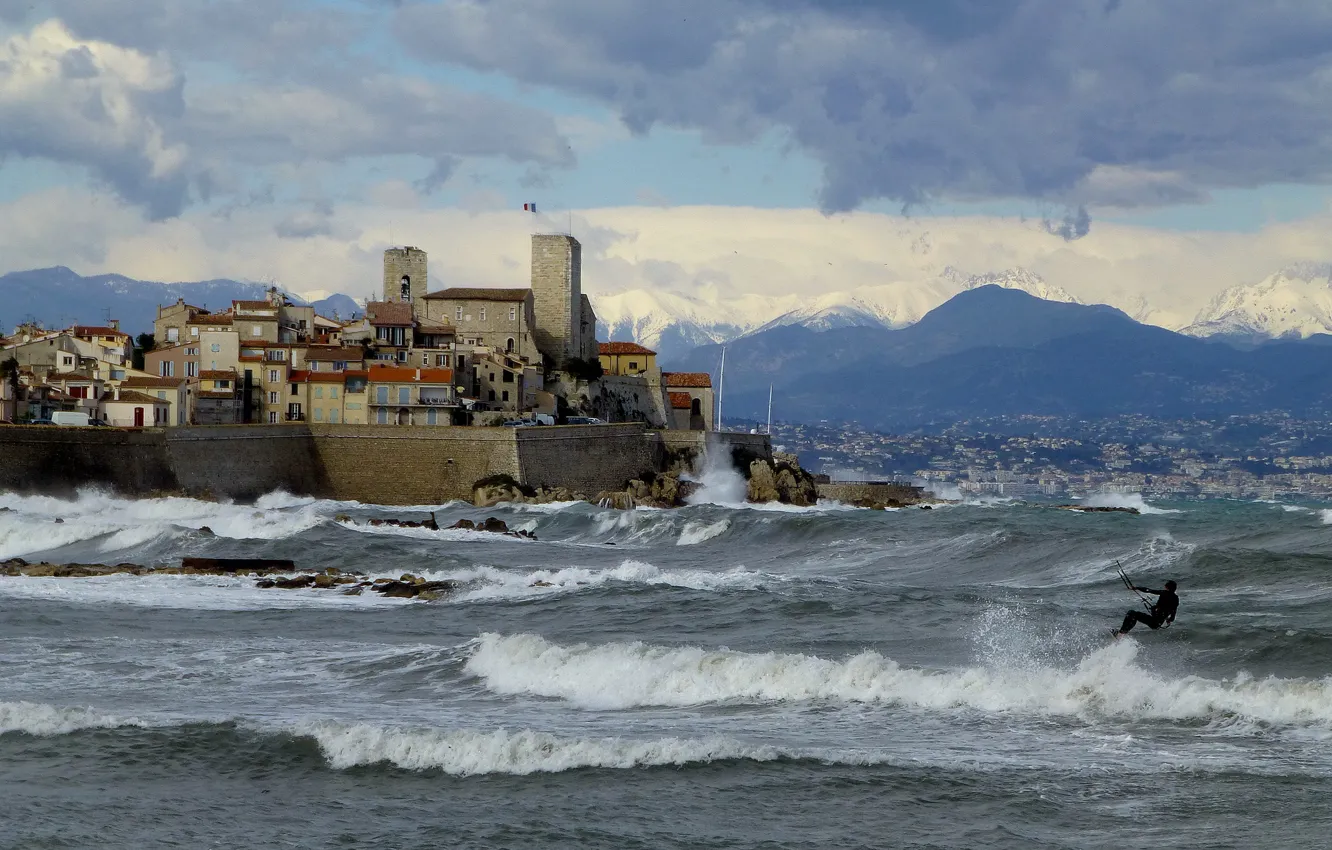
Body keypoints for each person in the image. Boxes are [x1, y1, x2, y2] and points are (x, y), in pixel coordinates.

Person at [1114, 580, 1178, 636]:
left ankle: (1121, 633)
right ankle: (1121, 633)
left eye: (1165, 586)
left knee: (1132, 613)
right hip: (1157, 624)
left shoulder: (1164, 593)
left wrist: (1136, 588)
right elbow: (1173, 614)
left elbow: (1148, 590)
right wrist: (1168, 620)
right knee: (1135, 615)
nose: (1164, 586)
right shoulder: (1175, 598)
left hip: (1154, 621)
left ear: (1167, 587)